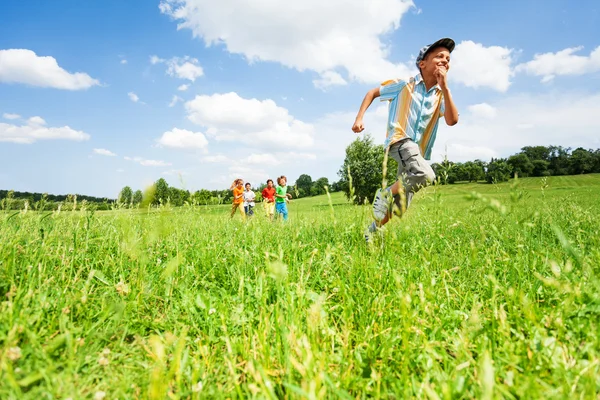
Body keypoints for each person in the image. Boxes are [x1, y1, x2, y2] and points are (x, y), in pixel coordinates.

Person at [351, 38, 459, 242]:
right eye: (439, 56)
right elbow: (373, 92)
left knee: (401, 206)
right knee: (426, 175)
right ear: (422, 64)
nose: (445, 60)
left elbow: (452, 120)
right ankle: (384, 194)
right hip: (399, 140)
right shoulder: (404, 84)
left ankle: (371, 231)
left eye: (448, 58)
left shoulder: (441, 94)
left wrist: (445, 88)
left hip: (417, 151)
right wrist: (359, 118)